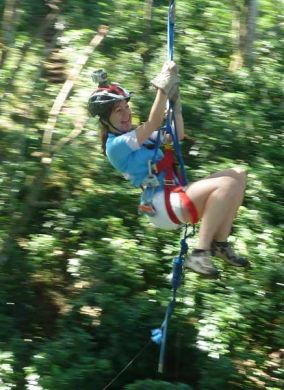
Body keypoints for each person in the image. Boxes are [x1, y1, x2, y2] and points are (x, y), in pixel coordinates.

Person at [87, 61, 248, 278]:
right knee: (227, 185)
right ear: (105, 120)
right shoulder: (115, 147)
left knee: (238, 175)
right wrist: (163, 84)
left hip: (173, 193)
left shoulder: (137, 135)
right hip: (160, 203)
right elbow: (153, 123)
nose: (126, 114)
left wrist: (175, 100)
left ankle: (219, 244)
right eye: (118, 111)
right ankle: (200, 253)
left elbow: (177, 135)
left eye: (127, 107)